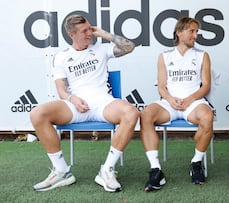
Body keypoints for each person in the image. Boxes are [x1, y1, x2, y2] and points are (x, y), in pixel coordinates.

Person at [30, 15, 138, 192]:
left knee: (131, 113)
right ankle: (62, 171)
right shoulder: (61, 57)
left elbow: (129, 47)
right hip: (75, 105)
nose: (90, 33)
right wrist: (73, 99)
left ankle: (107, 170)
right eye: (84, 31)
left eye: (90, 28)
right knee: (37, 113)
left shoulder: (102, 49)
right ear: (72, 34)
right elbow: (61, 90)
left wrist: (105, 34)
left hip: (103, 103)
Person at [140, 17, 214, 192]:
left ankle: (196, 162)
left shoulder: (202, 55)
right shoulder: (164, 56)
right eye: (192, 31)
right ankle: (156, 169)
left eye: (197, 32)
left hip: (193, 103)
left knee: (207, 116)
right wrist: (170, 98)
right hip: (169, 103)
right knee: (145, 115)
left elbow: (206, 85)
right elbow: (161, 86)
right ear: (179, 33)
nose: (195, 35)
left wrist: (189, 99)